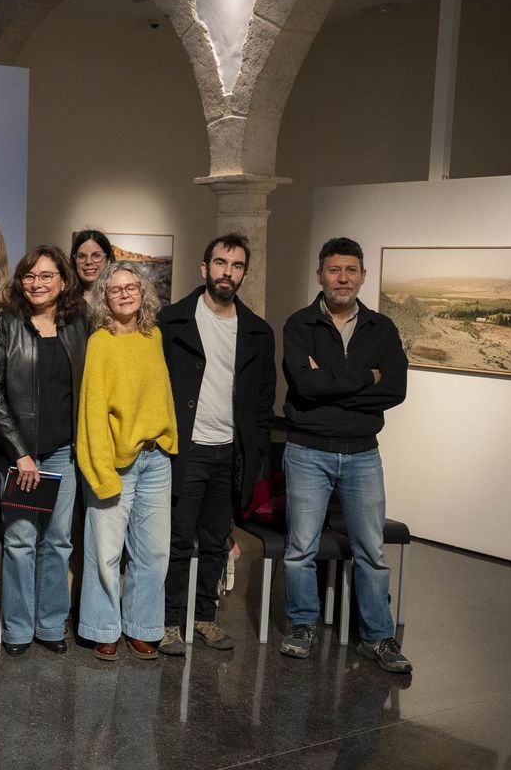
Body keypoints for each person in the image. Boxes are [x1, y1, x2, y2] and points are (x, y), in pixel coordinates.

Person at [280, 237, 411, 672]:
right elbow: (304, 386)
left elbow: (394, 389)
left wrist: (332, 383)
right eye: (334, 270)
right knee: (301, 547)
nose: (343, 278)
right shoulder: (300, 325)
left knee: (371, 550)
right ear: (320, 275)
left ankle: (378, 636)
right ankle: (302, 625)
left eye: (351, 270)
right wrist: (364, 379)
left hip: (362, 455)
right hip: (307, 452)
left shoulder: (382, 329)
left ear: (362, 276)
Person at [155, 233, 276, 657]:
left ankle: (204, 617)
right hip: (185, 449)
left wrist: (256, 452)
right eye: (221, 263)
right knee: (175, 540)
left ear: (244, 272)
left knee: (215, 541)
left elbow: (263, 404)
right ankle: (169, 621)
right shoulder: (171, 322)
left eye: (237, 265)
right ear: (204, 268)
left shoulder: (258, 333)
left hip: (230, 452)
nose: (228, 272)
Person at [0, 245, 86, 656]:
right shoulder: (4, 326)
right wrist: (20, 453)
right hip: (17, 456)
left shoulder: (79, 326)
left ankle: (49, 625)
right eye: (30, 275)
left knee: (59, 541)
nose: (37, 283)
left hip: (64, 452)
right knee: (22, 540)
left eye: (47, 276)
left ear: (63, 281)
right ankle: (17, 630)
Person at [76, 261, 179, 661]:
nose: (123, 293)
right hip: (116, 462)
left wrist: (169, 441)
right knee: (105, 552)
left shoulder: (153, 337)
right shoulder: (100, 342)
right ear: (104, 295)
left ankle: (142, 627)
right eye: (114, 288)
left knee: (153, 552)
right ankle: (103, 628)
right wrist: (101, 472)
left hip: (157, 459)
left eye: (131, 287)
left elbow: (161, 398)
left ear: (143, 293)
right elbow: (92, 412)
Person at [71, 228, 113, 308]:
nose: (89, 262)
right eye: (81, 256)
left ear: (108, 260)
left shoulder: (118, 297)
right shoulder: (64, 300)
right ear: (74, 261)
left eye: (96, 255)